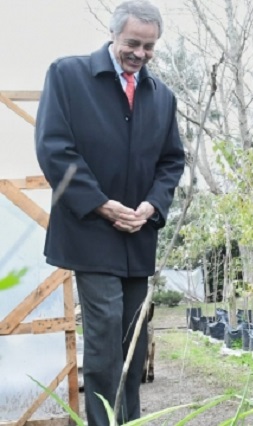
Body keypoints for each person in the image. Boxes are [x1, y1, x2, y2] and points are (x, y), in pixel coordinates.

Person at [35, 1, 185, 425]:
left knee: (132, 341)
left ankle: (127, 421)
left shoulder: (162, 97)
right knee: (104, 338)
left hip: (138, 234)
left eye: (149, 47)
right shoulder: (68, 76)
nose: (140, 53)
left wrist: (152, 204)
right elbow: (54, 147)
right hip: (91, 232)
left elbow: (172, 161)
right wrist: (101, 204)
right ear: (114, 34)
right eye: (133, 43)